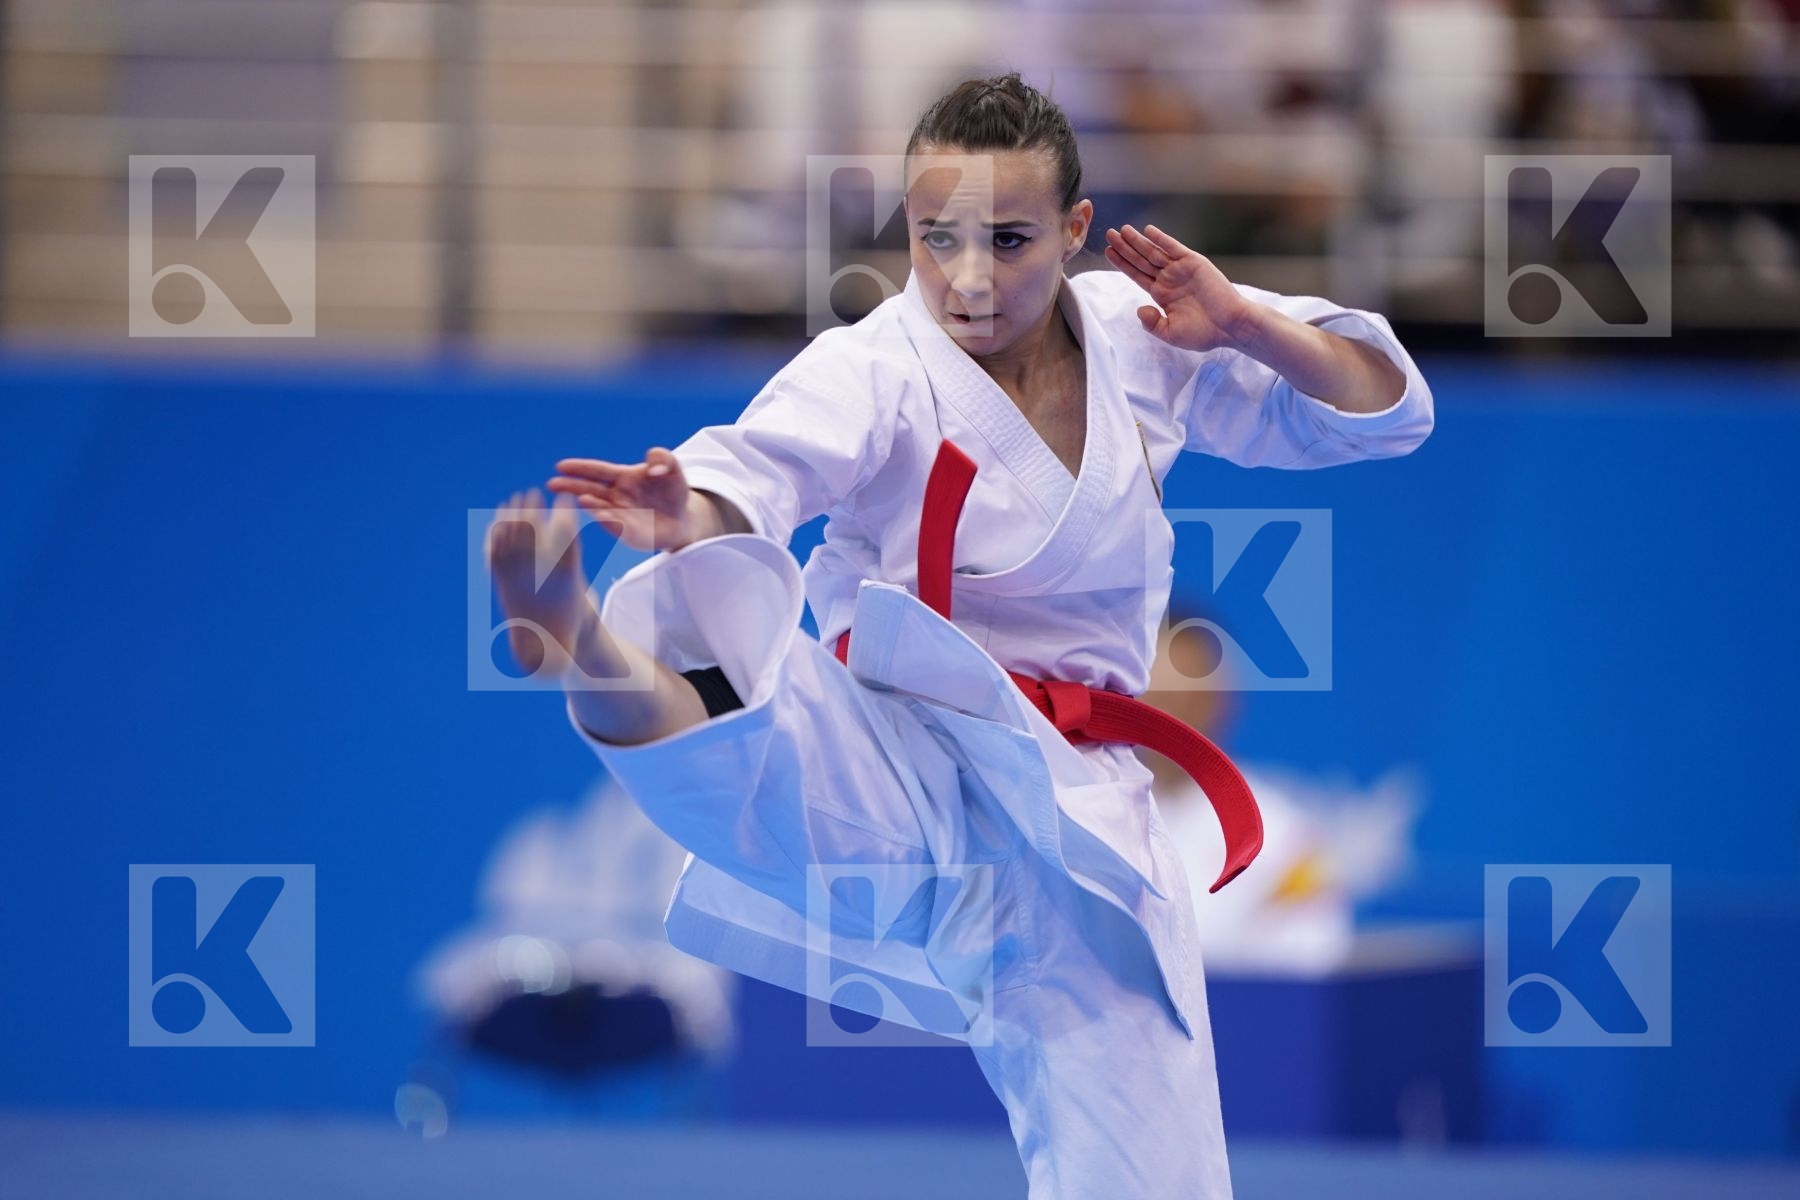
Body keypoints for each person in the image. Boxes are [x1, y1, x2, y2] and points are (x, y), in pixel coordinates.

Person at [486, 73, 1432, 1200]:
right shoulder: (877, 364)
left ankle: (601, 650)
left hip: (1079, 810)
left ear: (1077, 230)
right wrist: (685, 506)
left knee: (1159, 1181)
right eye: (938, 240)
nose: (970, 278)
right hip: (903, 736)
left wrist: (1244, 323)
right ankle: (585, 643)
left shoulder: (1145, 332)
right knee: (738, 692)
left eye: (1011, 239)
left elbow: (1382, 411)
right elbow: (760, 466)